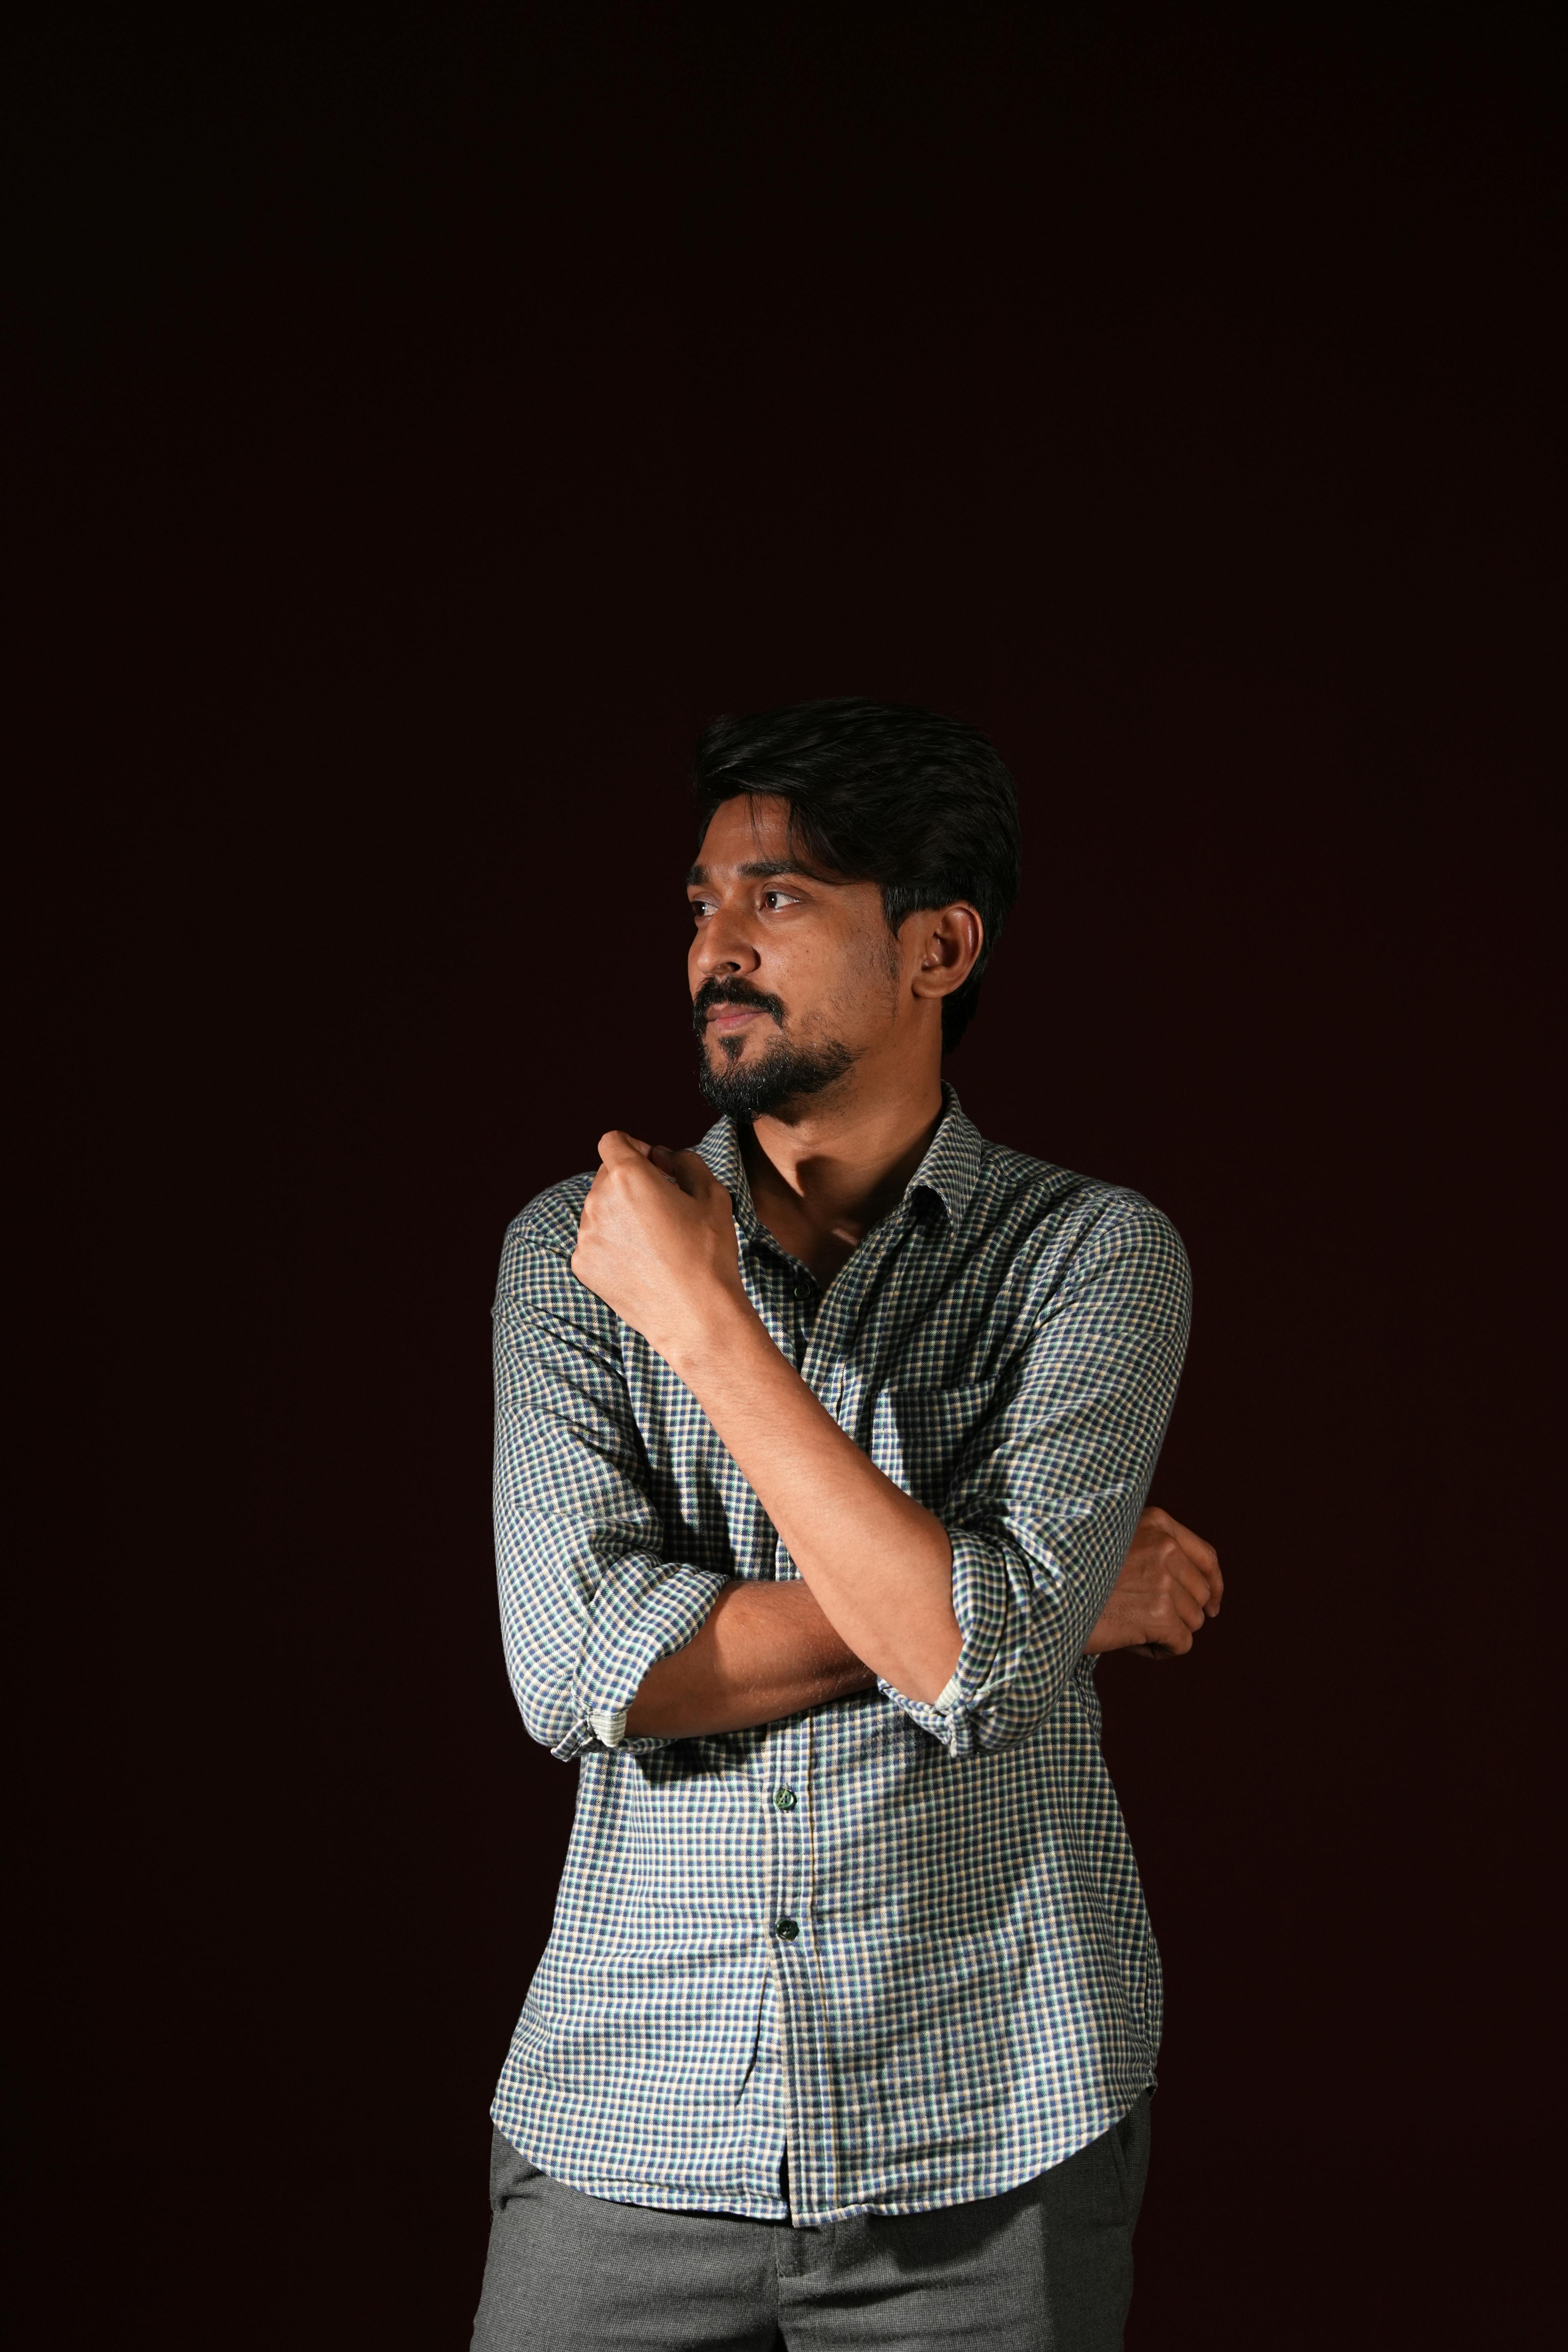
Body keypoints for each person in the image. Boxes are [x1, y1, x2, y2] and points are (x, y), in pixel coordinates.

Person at [471, 698, 1222, 2350]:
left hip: (996, 2132)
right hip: (628, 2124)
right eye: (699, 906)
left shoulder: (1095, 1258)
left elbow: (979, 1662)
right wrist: (1031, 1606)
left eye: (780, 899)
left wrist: (709, 1324)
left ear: (938, 947)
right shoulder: (572, 1248)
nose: (712, 948)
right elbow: (580, 1670)